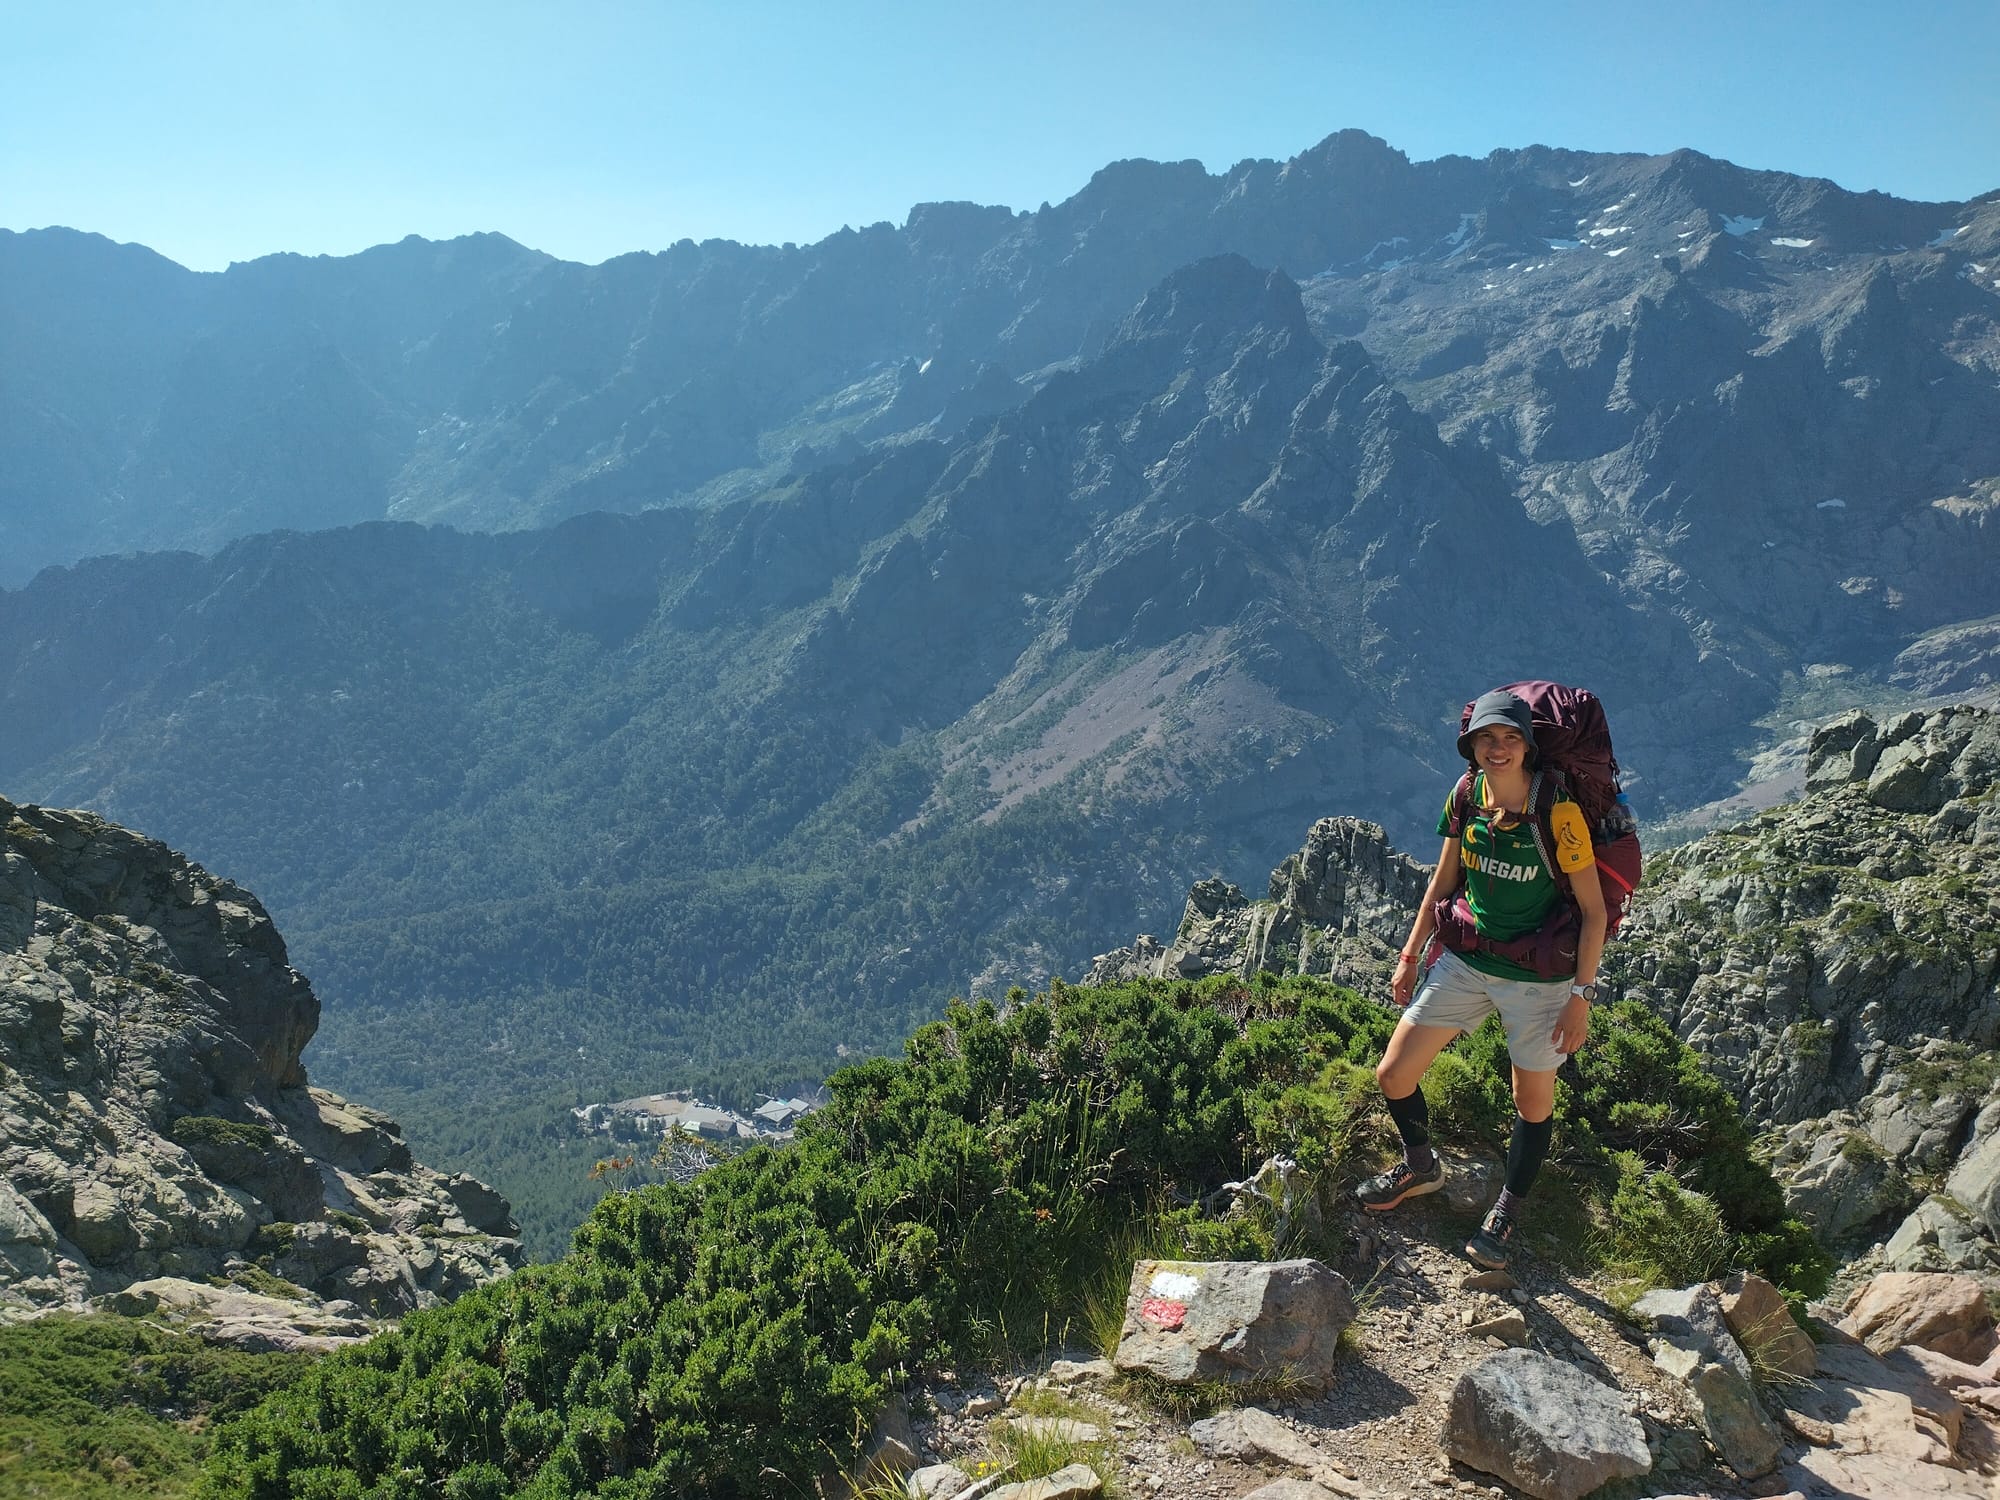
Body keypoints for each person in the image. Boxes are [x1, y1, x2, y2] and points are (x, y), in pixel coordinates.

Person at [1355, 689, 1607, 1268]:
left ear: (1528, 746)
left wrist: (1581, 998)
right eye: (1486, 739)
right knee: (1393, 1074)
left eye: (1510, 738)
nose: (1498, 749)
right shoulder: (1466, 794)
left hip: (1540, 982)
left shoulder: (1558, 812)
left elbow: (1593, 913)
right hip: (1468, 961)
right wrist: (1411, 953)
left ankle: (1507, 1209)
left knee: (1531, 1099)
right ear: (1471, 746)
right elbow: (1443, 883)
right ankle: (1421, 1169)